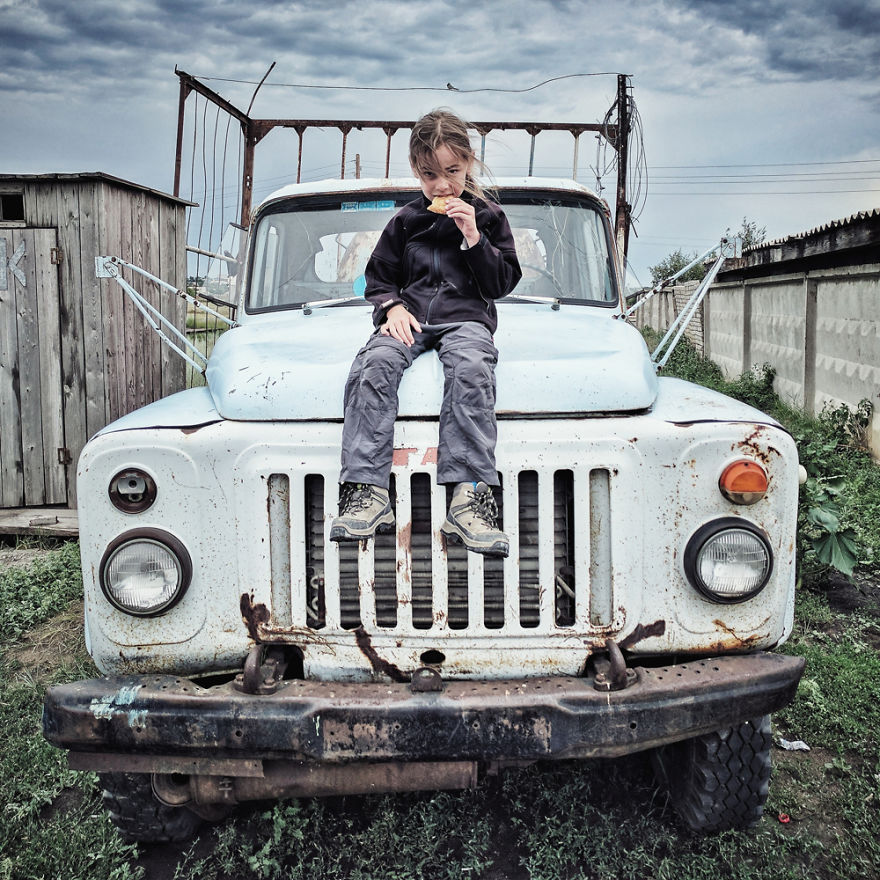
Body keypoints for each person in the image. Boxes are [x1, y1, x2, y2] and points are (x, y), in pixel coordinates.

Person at [330, 109, 521, 557]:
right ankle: (366, 492)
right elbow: (378, 277)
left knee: (473, 368)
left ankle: (469, 497)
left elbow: (501, 284)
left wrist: (474, 237)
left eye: (452, 172)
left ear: (469, 163)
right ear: (416, 171)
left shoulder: (489, 217)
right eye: (430, 174)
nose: (441, 186)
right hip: (411, 317)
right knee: (373, 363)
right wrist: (391, 306)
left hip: (466, 318)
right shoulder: (405, 221)